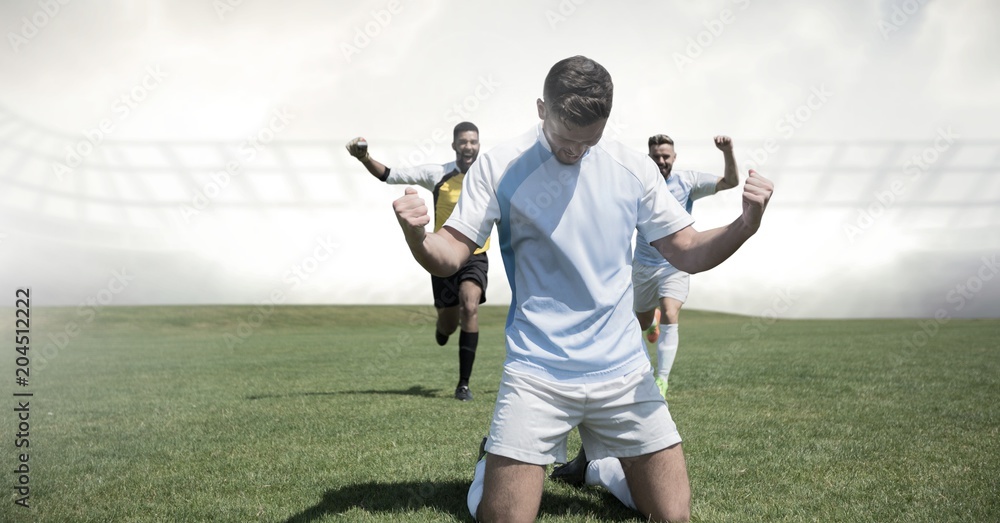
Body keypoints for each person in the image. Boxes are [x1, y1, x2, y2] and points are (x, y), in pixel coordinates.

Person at [390, 56, 773, 522]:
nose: (573, 152)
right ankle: (488, 465)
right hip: (538, 369)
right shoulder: (499, 166)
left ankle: (600, 469)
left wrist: (746, 225)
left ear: (605, 123)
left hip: (624, 369)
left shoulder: (631, 168)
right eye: (563, 139)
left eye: (586, 141)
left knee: (673, 517)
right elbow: (450, 253)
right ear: (540, 109)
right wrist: (418, 236)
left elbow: (688, 249)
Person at [345, 122, 489, 401]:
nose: (468, 146)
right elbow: (390, 175)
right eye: (463, 141)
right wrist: (364, 158)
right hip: (443, 252)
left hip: (476, 254)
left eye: (473, 142)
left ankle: (463, 385)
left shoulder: (490, 176)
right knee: (448, 324)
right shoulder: (437, 173)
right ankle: (442, 327)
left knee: (470, 305)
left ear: (479, 145)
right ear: (454, 145)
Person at [637, 133, 740, 397]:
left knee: (671, 312)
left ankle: (660, 379)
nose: (661, 161)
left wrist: (727, 152)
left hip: (675, 263)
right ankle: (651, 324)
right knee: (640, 321)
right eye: (656, 156)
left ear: (674, 157)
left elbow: (730, 182)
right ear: (649, 158)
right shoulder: (639, 184)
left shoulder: (687, 181)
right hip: (643, 265)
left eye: (665, 156)